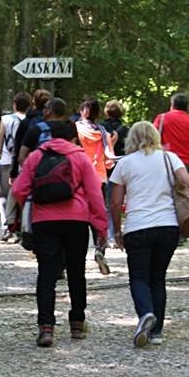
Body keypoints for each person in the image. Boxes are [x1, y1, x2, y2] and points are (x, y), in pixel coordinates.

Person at [11, 120, 107, 347]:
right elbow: (95, 195)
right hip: (76, 220)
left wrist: (33, 205)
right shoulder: (80, 157)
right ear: (74, 137)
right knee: (76, 271)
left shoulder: (36, 157)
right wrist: (101, 228)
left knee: (46, 274)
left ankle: (46, 327)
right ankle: (77, 322)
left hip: (45, 221)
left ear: (50, 135)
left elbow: (18, 189)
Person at [109, 122, 189, 347]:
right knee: (158, 277)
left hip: (138, 227)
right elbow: (187, 182)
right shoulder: (169, 158)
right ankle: (156, 332)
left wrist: (116, 230)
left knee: (139, 277)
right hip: (168, 226)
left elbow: (116, 202)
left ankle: (146, 313)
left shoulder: (124, 163)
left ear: (131, 140)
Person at [76, 98, 116, 275]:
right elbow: (109, 162)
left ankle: (76, 255)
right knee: (98, 216)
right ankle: (99, 249)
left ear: (82, 111)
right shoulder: (103, 132)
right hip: (99, 179)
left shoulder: (76, 129)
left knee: (78, 217)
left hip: (79, 178)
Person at [0, 92, 30, 241]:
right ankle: (21, 227)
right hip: (24, 162)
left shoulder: (6, 119)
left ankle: (6, 227)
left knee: (3, 196)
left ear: (14, 104)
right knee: (21, 195)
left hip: (6, 161)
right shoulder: (30, 121)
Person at [153, 92, 189, 179]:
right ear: (187, 107)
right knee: (186, 191)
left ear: (172, 105)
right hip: (188, 165)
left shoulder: (162, 118)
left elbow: (151, 137)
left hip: (167, 163)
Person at [10, 89, 52, 180]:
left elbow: (17, 149)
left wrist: (13, 173)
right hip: (52, 169)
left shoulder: (27, 122)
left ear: (34, 102)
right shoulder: (53, 123)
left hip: (30, 167)